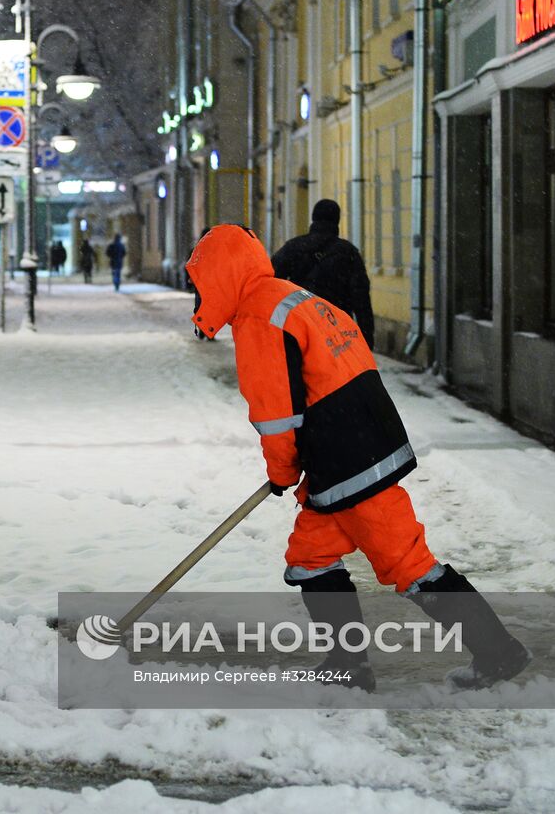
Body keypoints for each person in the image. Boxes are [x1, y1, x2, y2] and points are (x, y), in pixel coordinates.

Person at [185, 224, 529, 693]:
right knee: (311, 557)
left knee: (409, 564)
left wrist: (282, 471)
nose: (201, 292)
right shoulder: (291, 297)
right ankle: (347, 665)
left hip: (348, 459)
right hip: (356, 444)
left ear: (220, 275)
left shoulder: (259, 318)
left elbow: (276, 415)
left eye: (202, 281)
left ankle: (499, 651)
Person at [271, 199, 376, 351]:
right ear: (337, 220)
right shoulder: (348, 253)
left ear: (313, 218)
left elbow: (272, 283)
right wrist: (366, 339)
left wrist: (276, 325)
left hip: (299, 324)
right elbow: (361, 299)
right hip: (336, 331)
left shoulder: (293, 247)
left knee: (299, 363)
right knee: (332, 365)